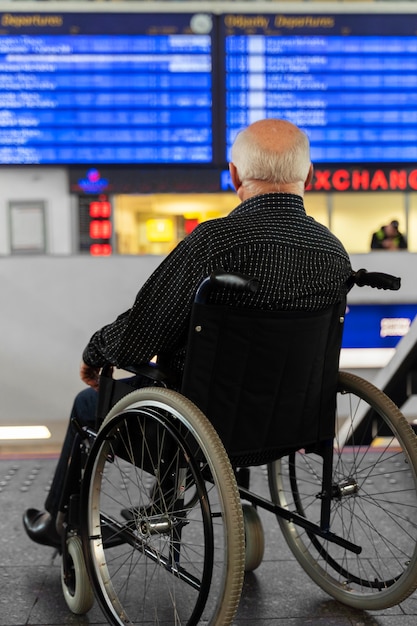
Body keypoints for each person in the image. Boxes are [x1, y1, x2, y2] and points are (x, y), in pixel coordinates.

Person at [23, 118, 352, 549]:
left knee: (92, 402)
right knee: (187, 377)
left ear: (234, 175)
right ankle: (166, 503)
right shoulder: (333, 253)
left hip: (196, 430)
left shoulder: (214, 243)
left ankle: (60, 521)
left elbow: (143, 333)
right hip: (292, 427)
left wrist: (96, 351)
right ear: (311, 175)